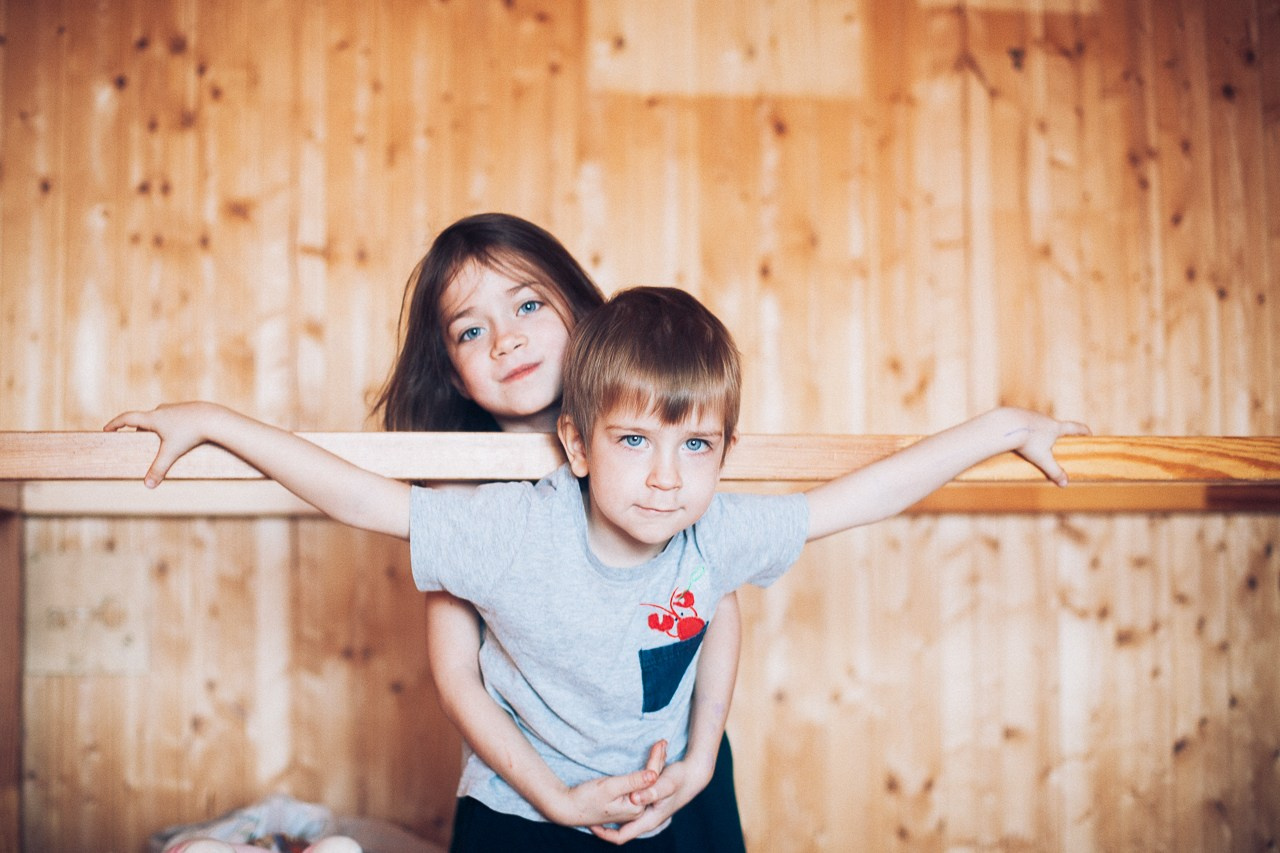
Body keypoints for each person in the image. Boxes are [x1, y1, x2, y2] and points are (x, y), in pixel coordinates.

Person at [106, 286, 1089, 851]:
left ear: (723, 452)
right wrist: (211, 422)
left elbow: (865, 494)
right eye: (633, 443)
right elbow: (358, 496)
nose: (666, 479)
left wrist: (998, 427)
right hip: (523, 806)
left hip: (668, 792)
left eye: (695, 448)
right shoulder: (511, 529)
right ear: (576, 444)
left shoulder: (717, 534)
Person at [373, 214, 750, 847]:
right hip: (525, 793)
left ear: (581, 312)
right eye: (471, 329)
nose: (505, 340)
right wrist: (556, 799)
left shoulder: (653, 462)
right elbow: (459, 676)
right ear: (450, 368)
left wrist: (703, 758)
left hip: (675, 770)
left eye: (528, 304)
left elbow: (714, 603)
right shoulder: (461, 500)